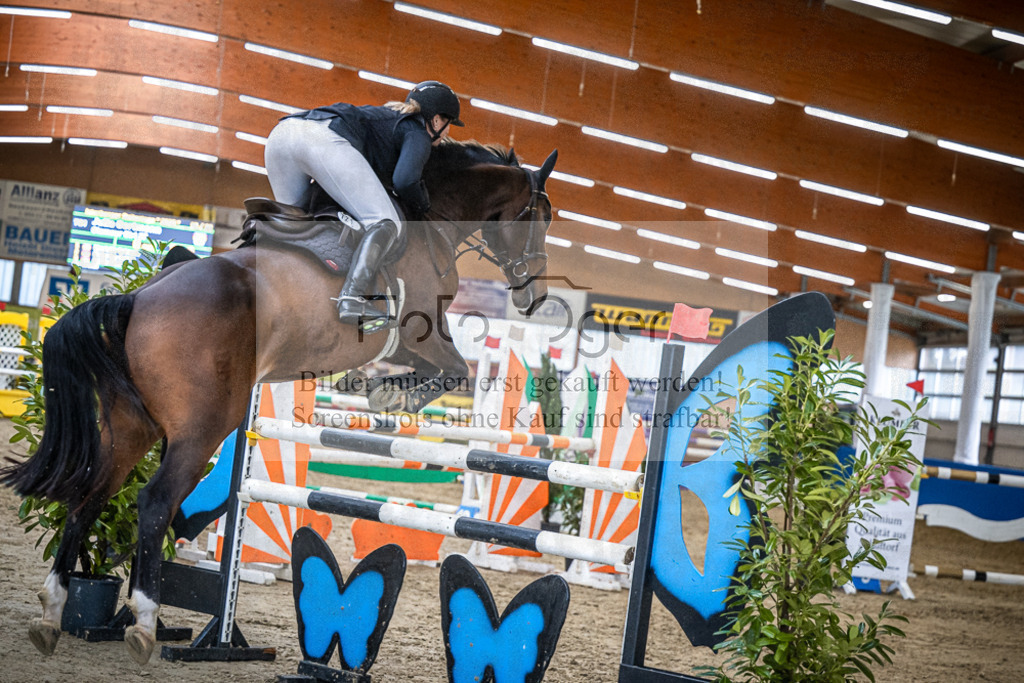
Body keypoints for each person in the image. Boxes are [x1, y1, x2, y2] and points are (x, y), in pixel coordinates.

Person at [264, 80, 464, 332]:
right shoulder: (417, 132)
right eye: (447, 124)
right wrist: (424, 205)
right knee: (386, 222)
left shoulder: (388, 121)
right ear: (435, 120)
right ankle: (352, 297)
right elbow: (405, 181)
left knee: (295, 223)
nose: (447, 133)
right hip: (320, 139)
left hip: (281, 135)